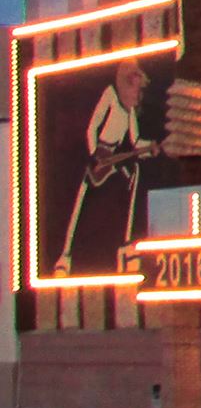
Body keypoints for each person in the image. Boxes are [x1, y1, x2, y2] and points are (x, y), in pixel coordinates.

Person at [53, 58, 159, 275]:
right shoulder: (110, 94)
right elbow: (92, 127)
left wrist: (150, 147)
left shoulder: (130, 111)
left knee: (134, 175)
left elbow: (135, 142)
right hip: (100, 155)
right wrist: (94, 155)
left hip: (115, 158)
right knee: (81, 199)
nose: (137, 91)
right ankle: (65, 256)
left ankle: (127, 245)